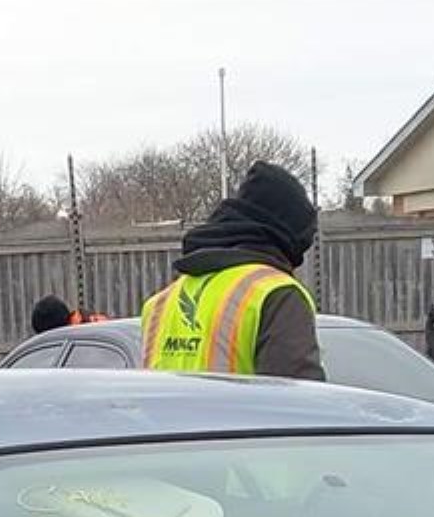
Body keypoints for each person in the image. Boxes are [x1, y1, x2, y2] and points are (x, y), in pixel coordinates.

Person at [138, 160, 324, 381]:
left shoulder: (160, 304)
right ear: (286, 239)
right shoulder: (275, 294)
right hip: (241, 418)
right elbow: (300, 405)